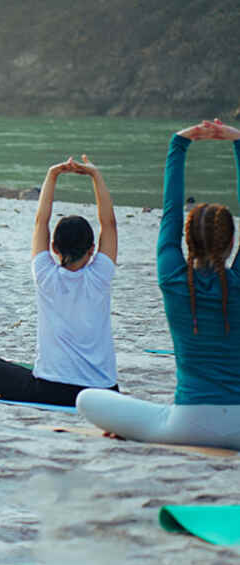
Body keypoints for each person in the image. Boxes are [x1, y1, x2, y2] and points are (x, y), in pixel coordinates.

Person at [77, 119, 240, 450]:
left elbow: (170, 213)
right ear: (231, 242)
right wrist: (238, 141)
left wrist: (179, 143)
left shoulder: (172, 277)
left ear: (186, 240)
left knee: (87, 399)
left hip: (185, 426)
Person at [0, 156, 119, 406]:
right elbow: (110, 224)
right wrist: (96, 175)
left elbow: (41, 222)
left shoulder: (45, 274)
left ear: (54, 247)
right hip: (102, 393)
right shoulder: (100, 276)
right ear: (92, 249)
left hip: (51, 389)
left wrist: (52, 175)